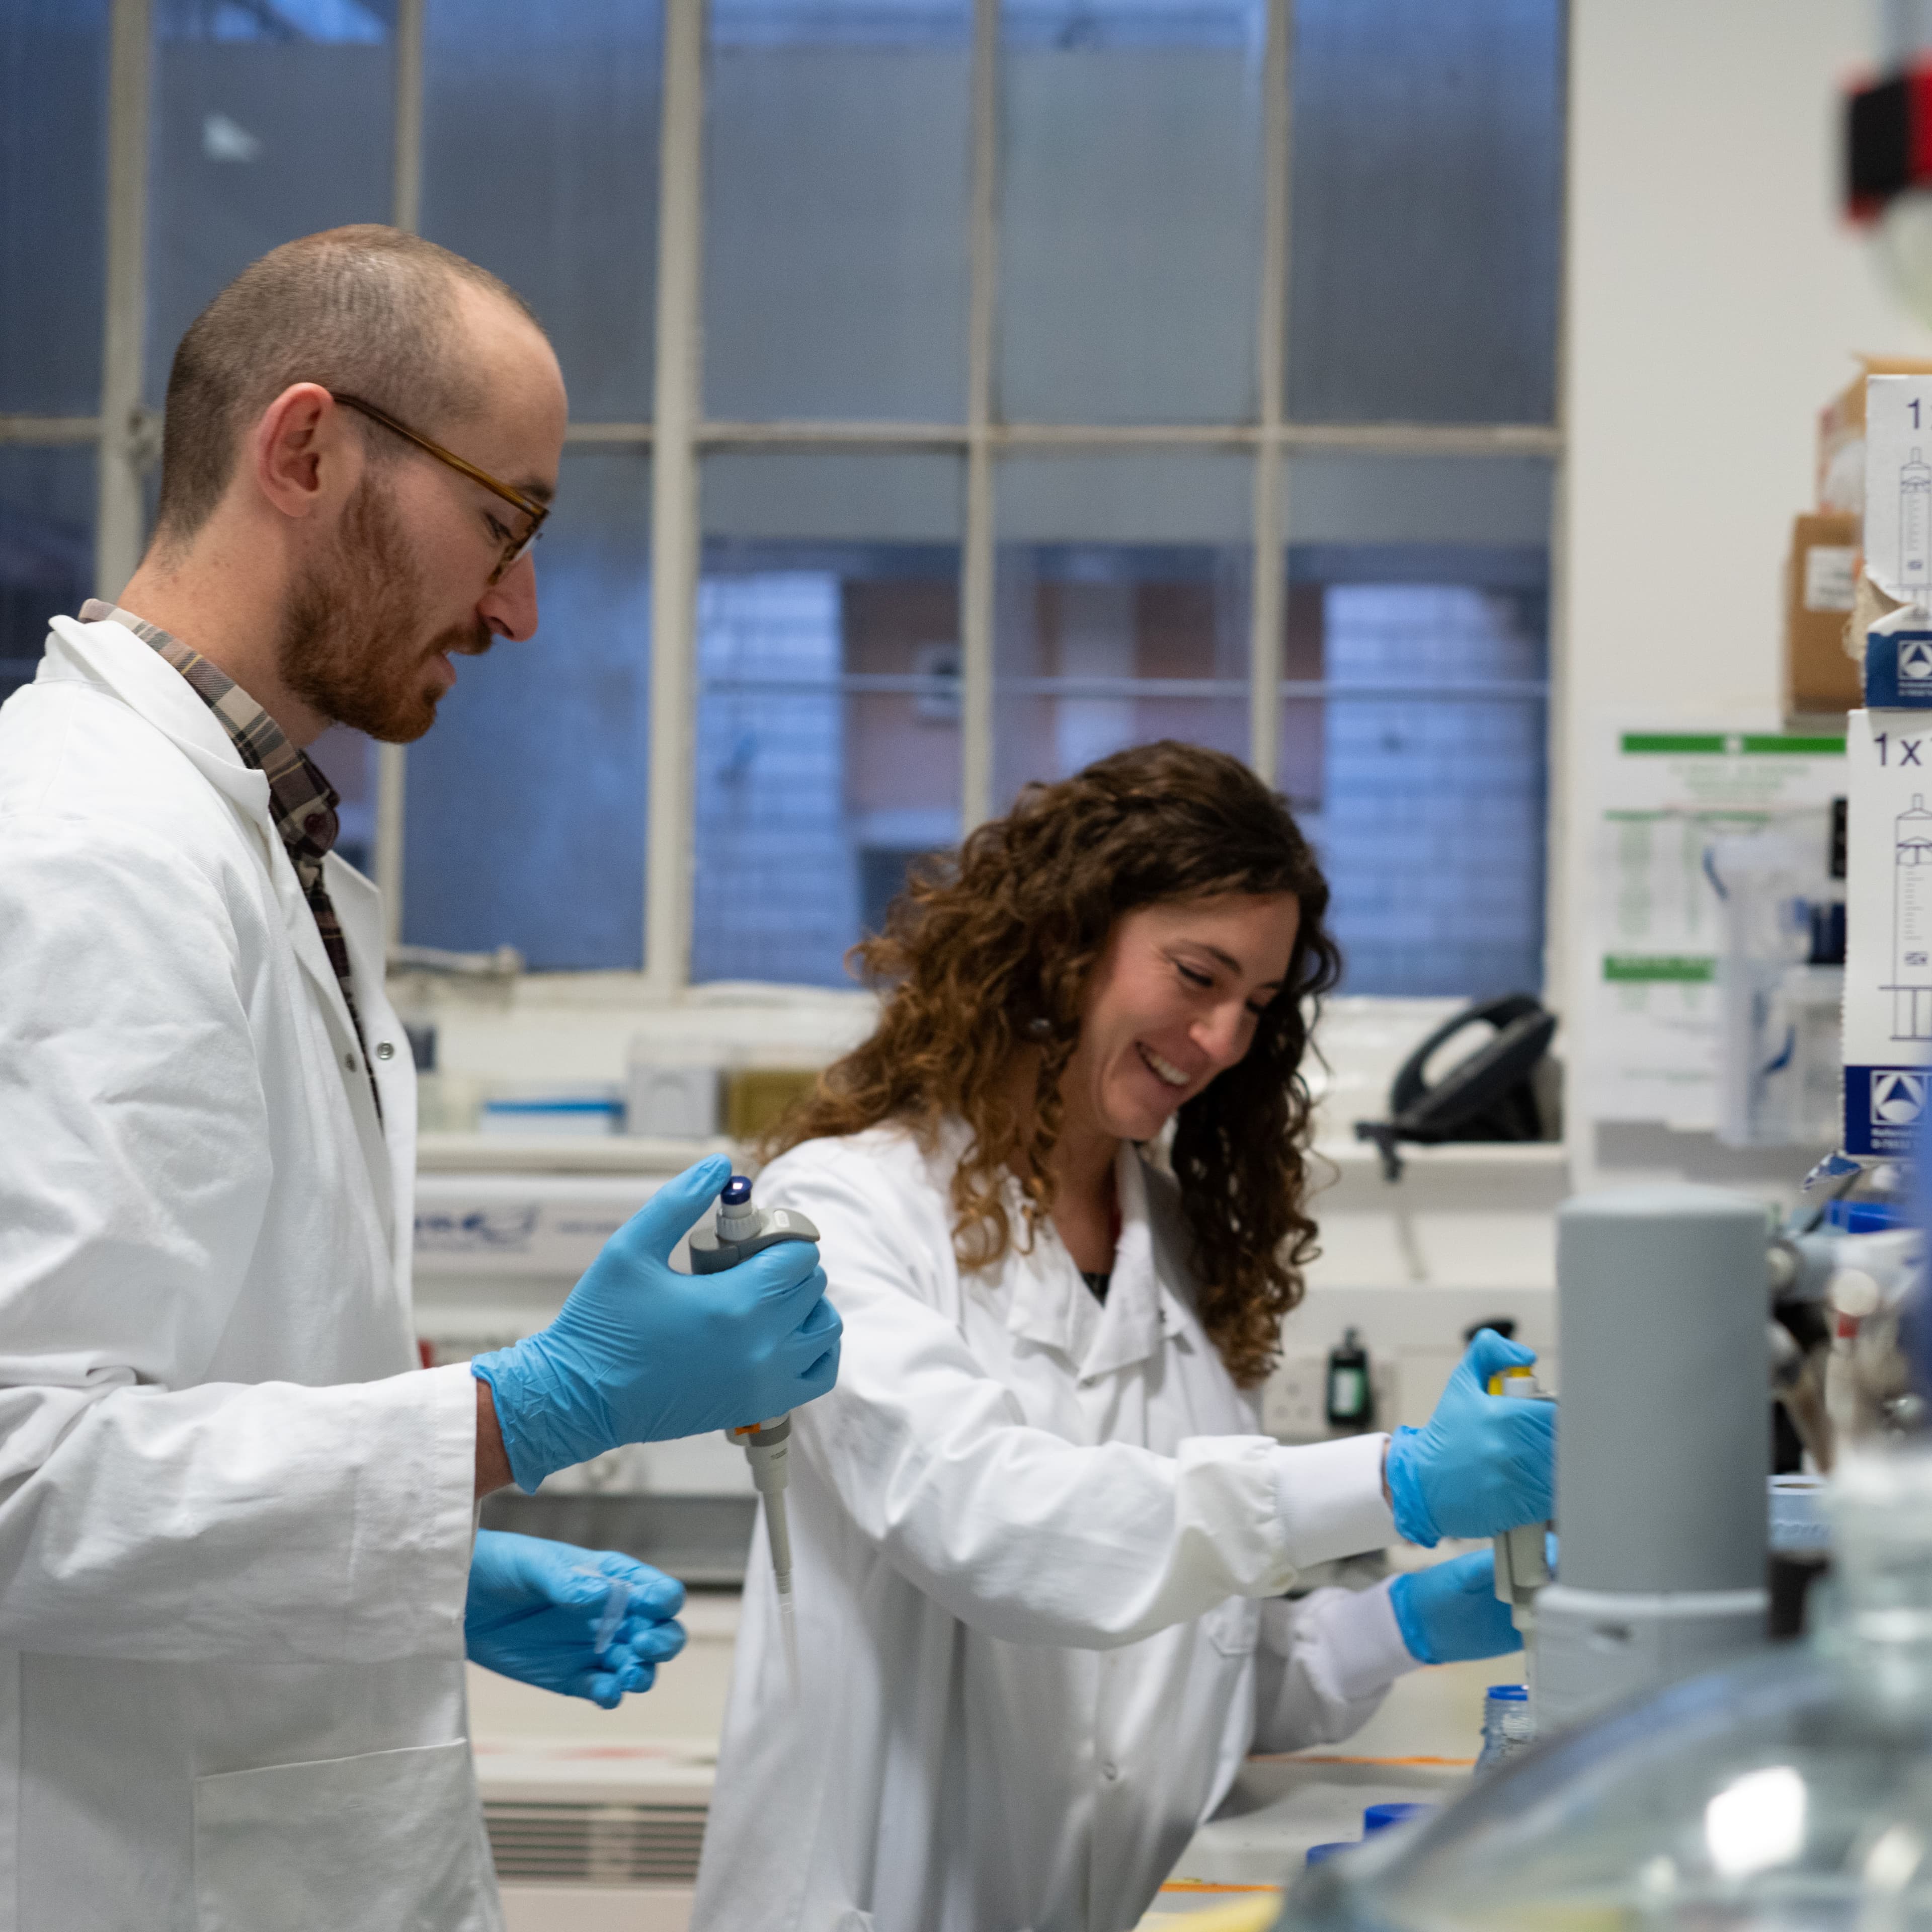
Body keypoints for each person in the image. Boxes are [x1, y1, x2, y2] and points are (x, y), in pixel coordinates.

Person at [0, 227, 840, 1930]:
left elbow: (201, 1385)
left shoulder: (251, 844)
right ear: (304, 451)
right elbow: (29, 1475)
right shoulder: (85, 856)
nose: (521, 608)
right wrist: (527, 1411)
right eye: (505, 521)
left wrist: (419, 1574)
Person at [691, 741, 1555, 1932]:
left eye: (1257, 1004)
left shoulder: (1175, 1245)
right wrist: (1393, 1479)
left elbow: (1189, 1667)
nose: (1221, 1041)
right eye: (1196, 976)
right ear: (1066, 937)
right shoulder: (842, 1214)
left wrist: (1400, 1624)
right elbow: (1004, 1530)